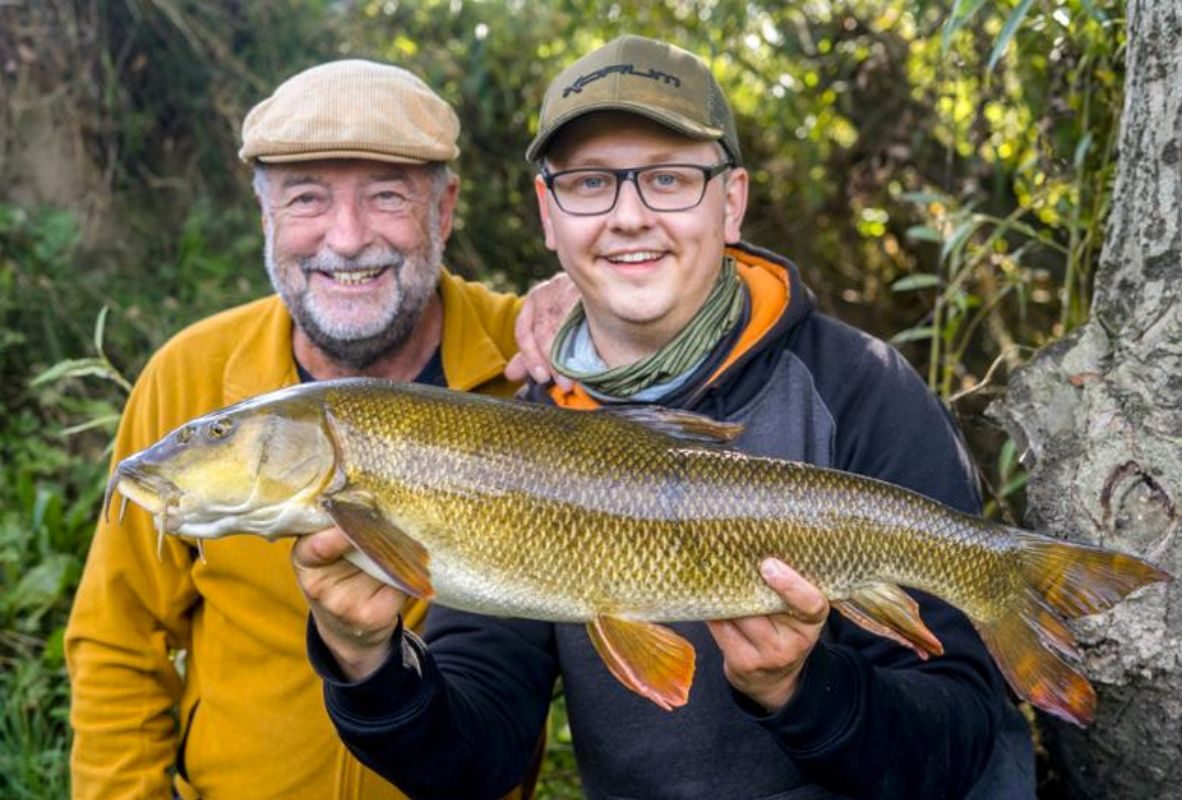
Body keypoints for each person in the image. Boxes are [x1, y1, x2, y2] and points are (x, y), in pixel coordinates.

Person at [294, 37, 1037, 799]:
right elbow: (474, 762)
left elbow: (962, 739)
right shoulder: (516, 439)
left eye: (670, 179)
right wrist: (367, 660)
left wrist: (802, 689)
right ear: (549, 215)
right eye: (589, 185)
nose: (629, 217)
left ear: (733, 201)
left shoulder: (861, 389)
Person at [65, 59, 573, 800]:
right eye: (307, 199)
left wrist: (598, 303)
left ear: (444, 209)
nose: (346, 238)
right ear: (265, 217)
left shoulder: (534, 360)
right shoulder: (192, 377)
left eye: (387, 196)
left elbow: (690, 282)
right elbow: (117, 642)